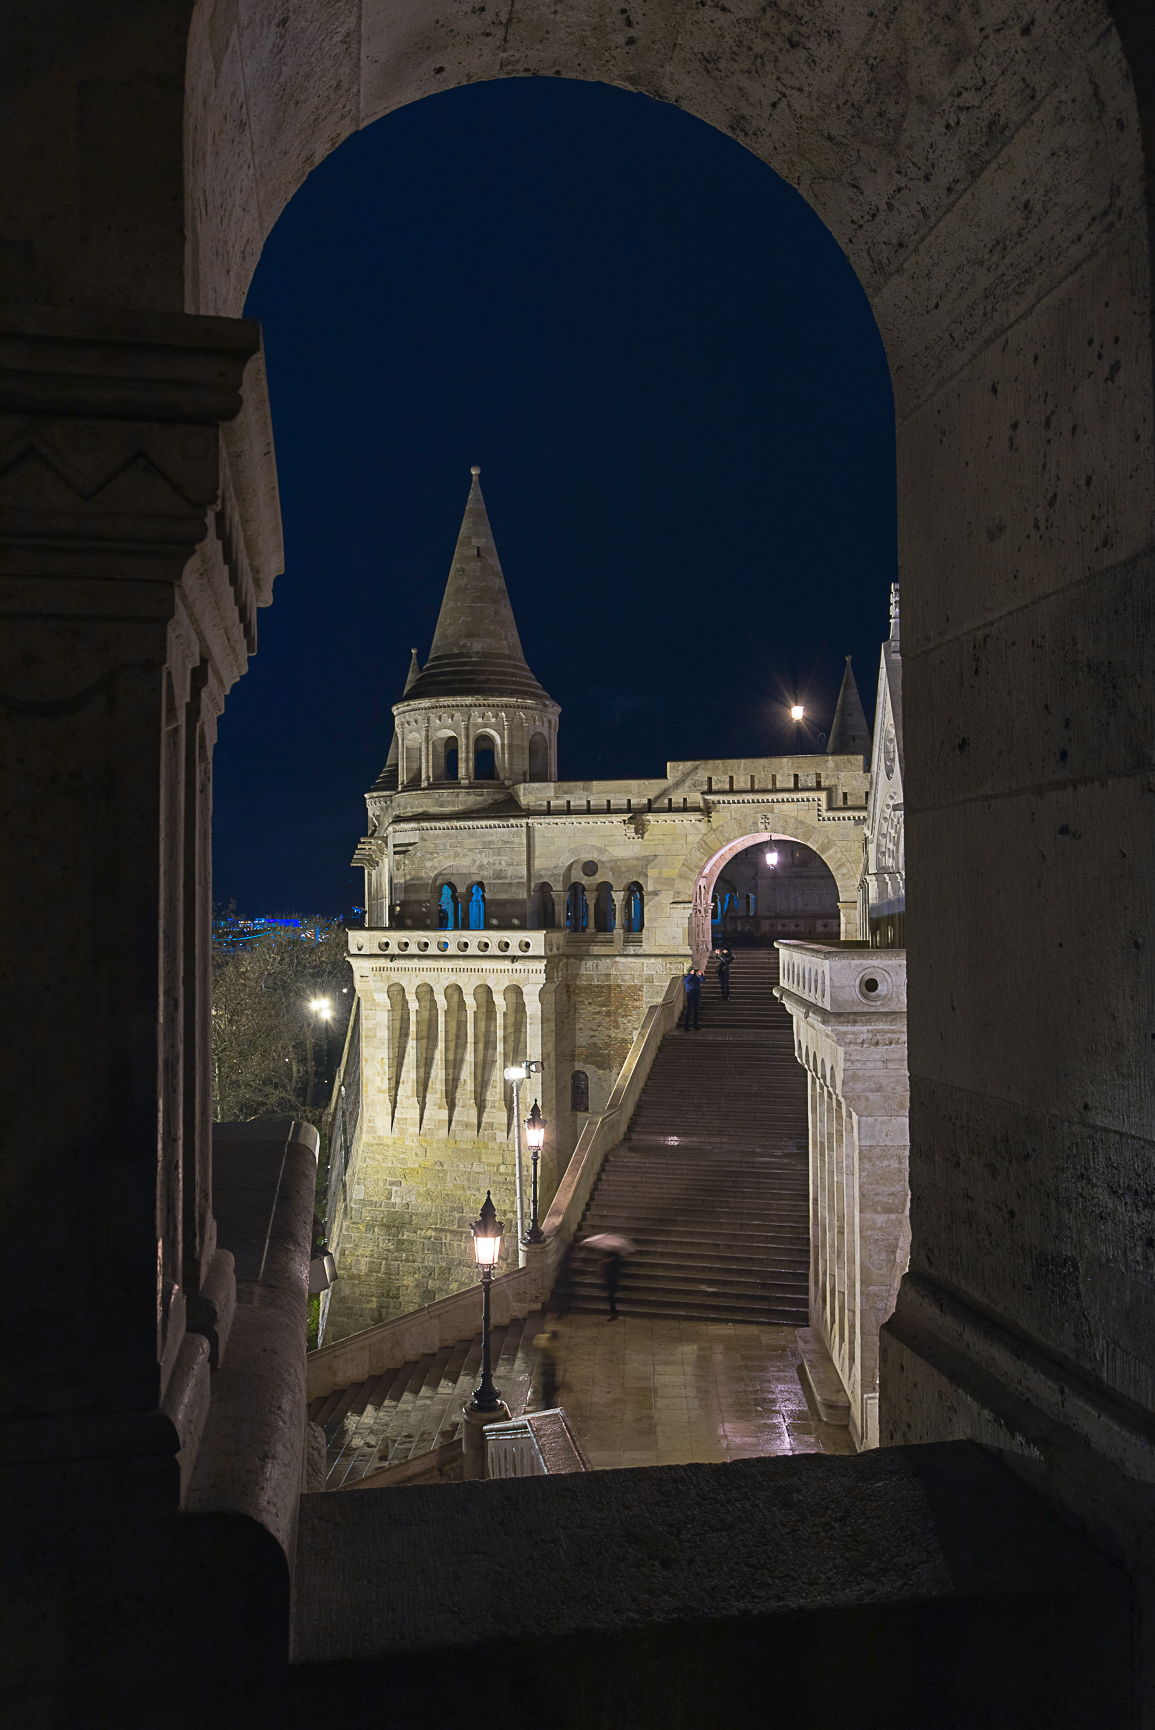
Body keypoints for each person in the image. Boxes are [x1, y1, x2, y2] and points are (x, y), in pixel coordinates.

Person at [532, 1328, 561, 1409]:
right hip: (548, 1387)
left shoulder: (549, 1343)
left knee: (547, 1400)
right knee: (548, 1401)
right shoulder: (549, 1363)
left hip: (547, 1386)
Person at [602, 1249, 623, 1320]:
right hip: (610, 1276)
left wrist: (607, 1260)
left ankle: (614, 1313)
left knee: (610, 1295)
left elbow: (613, 1261)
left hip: (613, 1276)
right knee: (610, 1295)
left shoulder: (615, 1254)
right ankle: (614, 1313)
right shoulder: (611, 1252)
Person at [682, 967, 702, 1031]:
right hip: (690, 994)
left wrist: (701, 975)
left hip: (696, 994)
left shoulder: (696, 978)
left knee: (696, 1011)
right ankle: (686, 1026)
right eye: (692, 971)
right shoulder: (686, 977)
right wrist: (690, 975)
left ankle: (695, 1025)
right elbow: (687, 981)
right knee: (689, 1011)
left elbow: (702, 980)